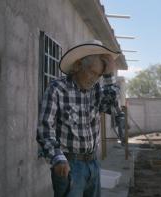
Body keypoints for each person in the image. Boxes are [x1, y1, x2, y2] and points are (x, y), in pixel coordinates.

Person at [36, 40, 121, 197]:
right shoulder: (57, 89)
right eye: (92, 72)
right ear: (77, 66)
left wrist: (109, 76)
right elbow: (45, 128)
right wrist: (57, 157)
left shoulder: (95, 90)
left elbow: (113, 107)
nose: (95, 79)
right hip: (69, 164)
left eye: (99, 75)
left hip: (93, 163)